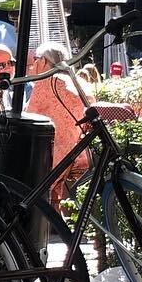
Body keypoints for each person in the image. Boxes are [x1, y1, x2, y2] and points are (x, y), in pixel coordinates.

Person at [23, 43, 91, 203]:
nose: (34, 64)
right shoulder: (79, 82)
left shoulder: (47, 82)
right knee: (53, 199)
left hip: (49, 156)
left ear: (45, 62)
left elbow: (27, 117)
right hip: (76, 153)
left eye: (36, 59)